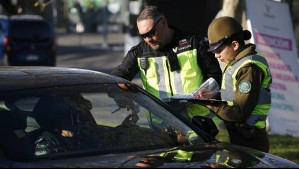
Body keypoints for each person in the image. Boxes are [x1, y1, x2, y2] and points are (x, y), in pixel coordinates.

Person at [111, 5, 222, 122]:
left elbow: (217, 76)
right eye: (143, 36)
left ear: (164, 22)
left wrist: (206, 91)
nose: (148, 39)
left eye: (151, 33)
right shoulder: (139, 52)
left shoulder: (194, 43)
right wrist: (121, 93)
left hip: (199, 123)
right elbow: (114, 78)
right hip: (161, 127)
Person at [194, 16, 272, 152]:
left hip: (250, 140)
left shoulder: (249, 69)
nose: (216, 55)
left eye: (218, 50)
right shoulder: (236, 63)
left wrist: (209, 104)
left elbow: (238, 113)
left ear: (235, 45)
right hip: (240, 136)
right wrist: (215, 95)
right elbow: (233, 96)